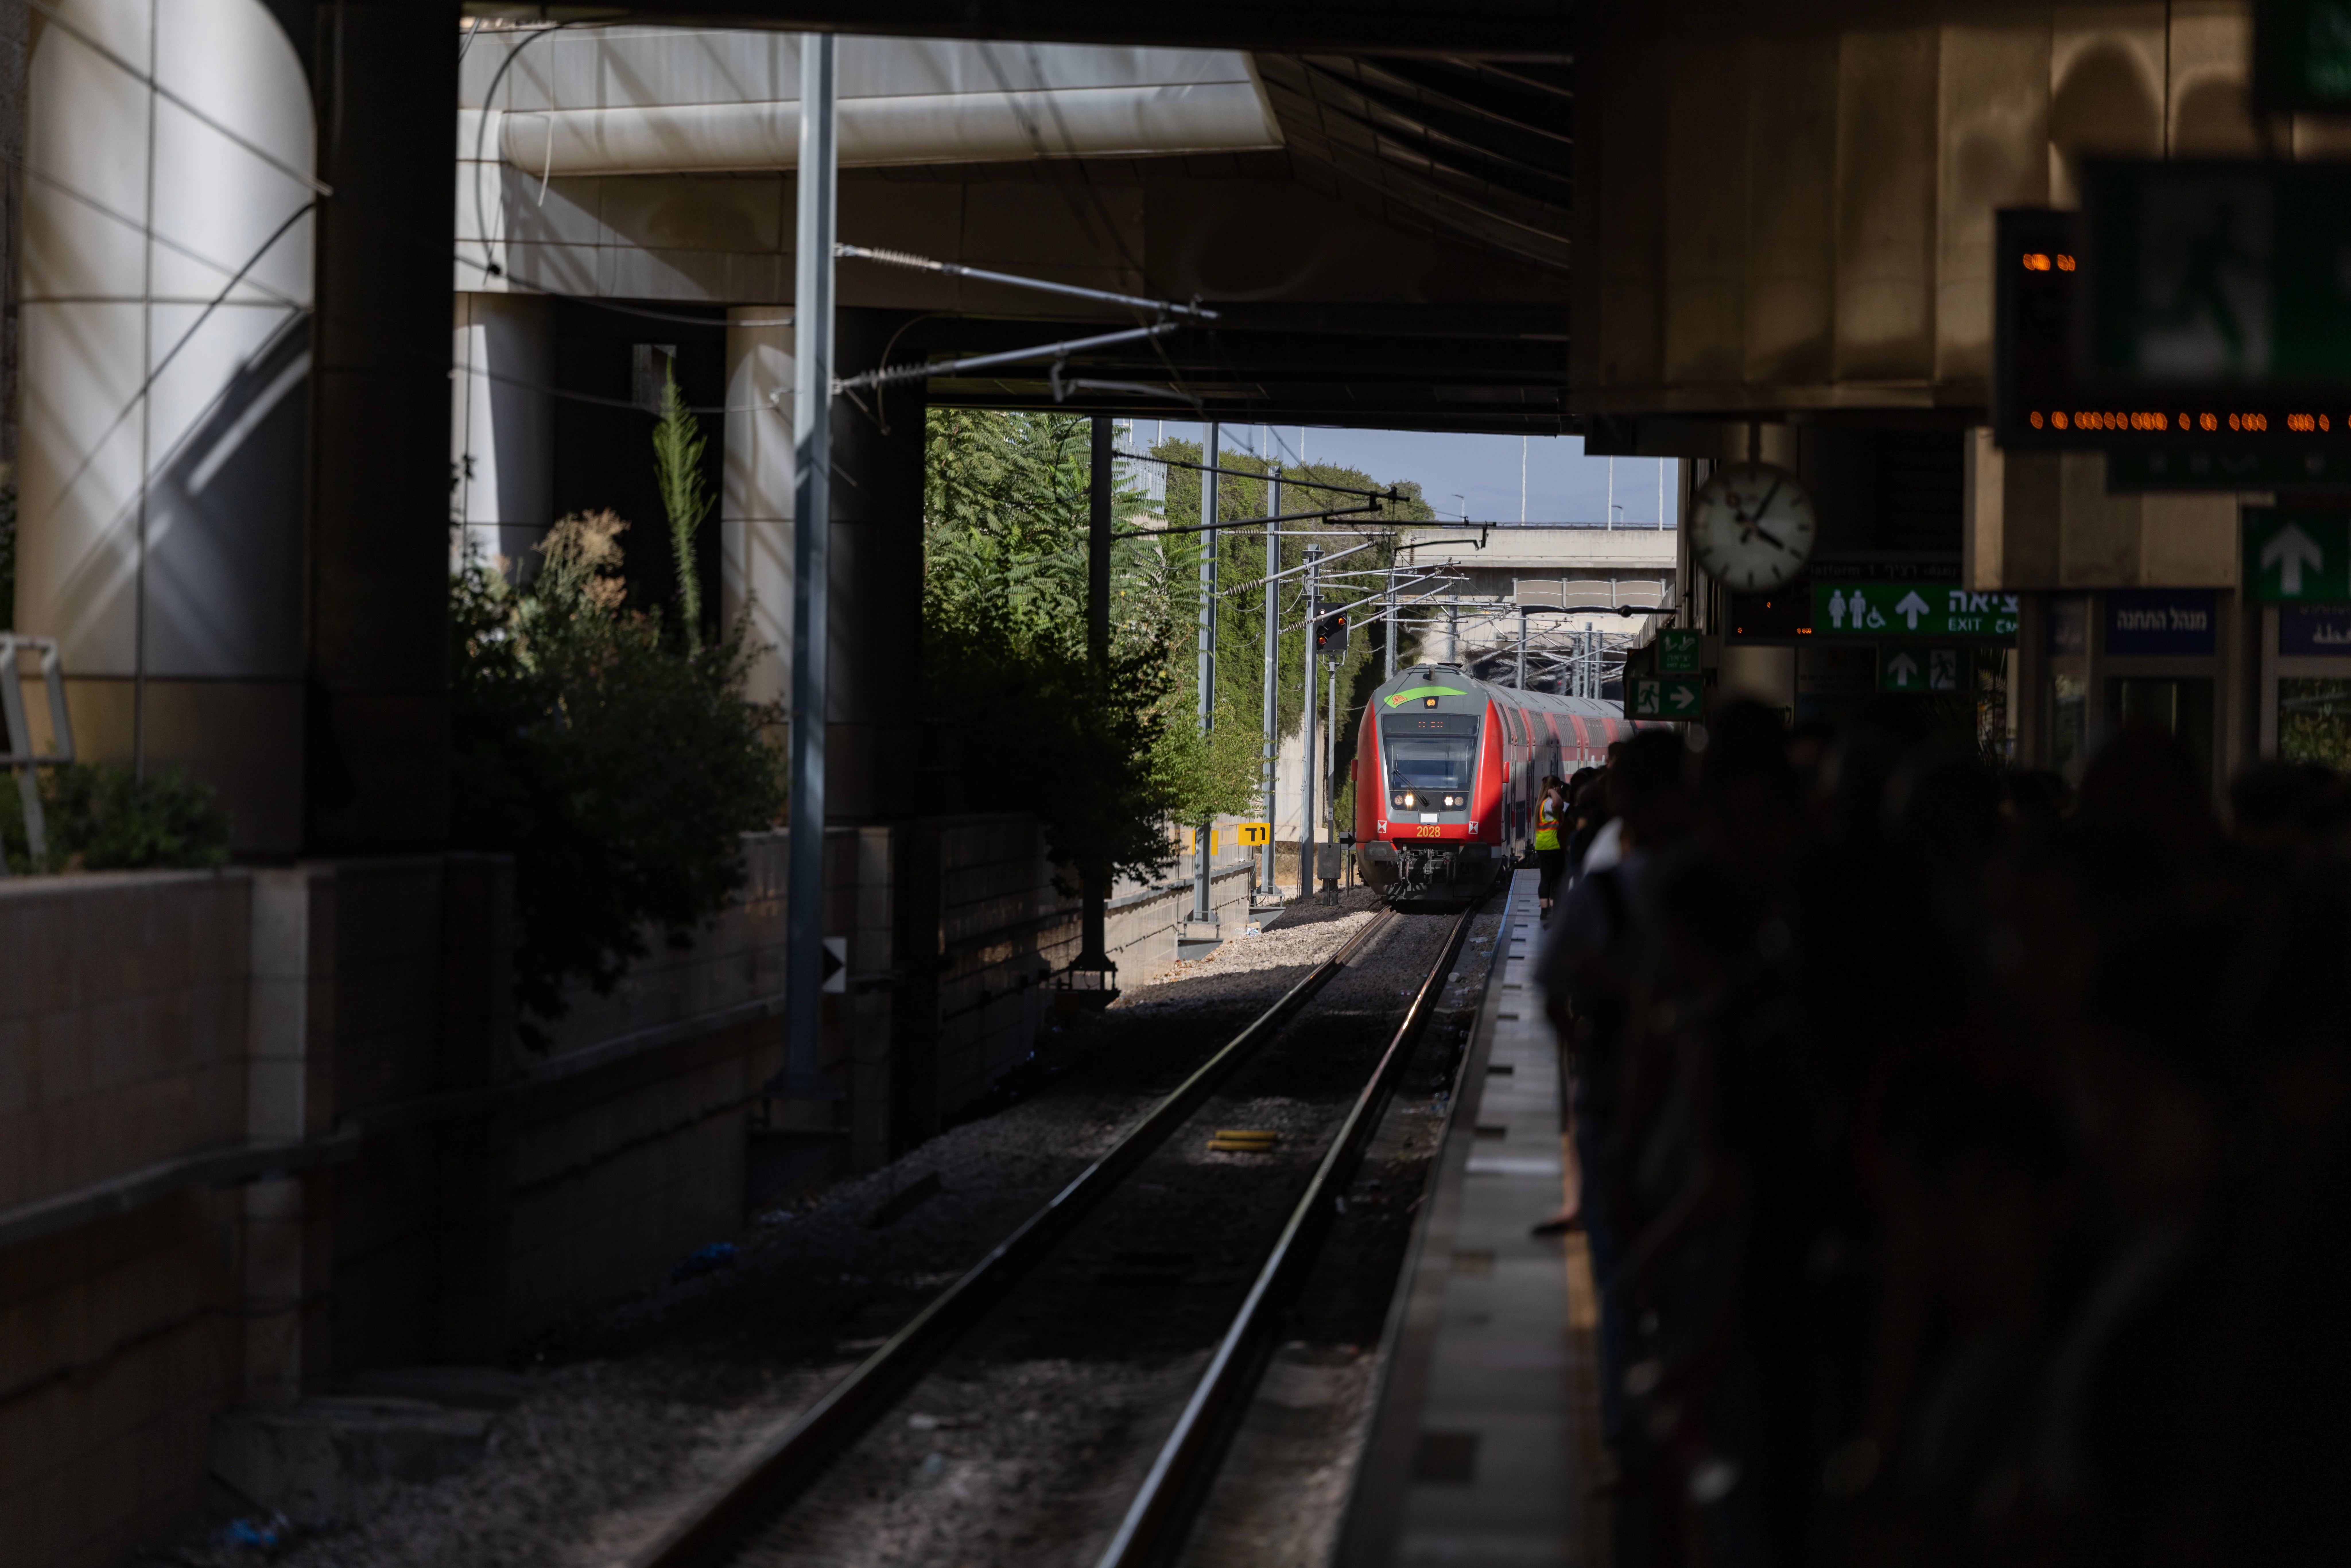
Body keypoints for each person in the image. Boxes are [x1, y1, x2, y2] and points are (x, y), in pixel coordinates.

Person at [1535, 773, 1570, 917]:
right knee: (1556, 879)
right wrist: (1552, 791)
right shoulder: (1549, 803)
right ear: (1555, 788)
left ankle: (1545, 911)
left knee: (1546, 878)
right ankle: (1553, 910)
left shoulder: (1542, 804)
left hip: (1544, 846)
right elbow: (1559, 804)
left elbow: (1567, 807)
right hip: (1553, 846)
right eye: (1559, 788)